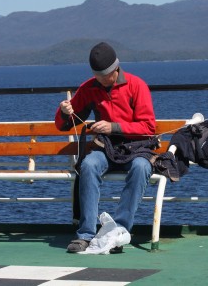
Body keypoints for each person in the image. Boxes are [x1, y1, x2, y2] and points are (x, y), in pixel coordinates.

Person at [54, 42, 156, 253]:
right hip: (106, 148)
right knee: (89, 165)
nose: (100, 80)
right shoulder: (90, 87)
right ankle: (86, 234)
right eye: (97, 76)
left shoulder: (136, 85)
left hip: (137, 148)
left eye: (104, 76)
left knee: (141, 168)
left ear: (116, 69)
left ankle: (118, 231)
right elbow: (66, 124)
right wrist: (65, 111)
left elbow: (148, 127)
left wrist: (113, 127)